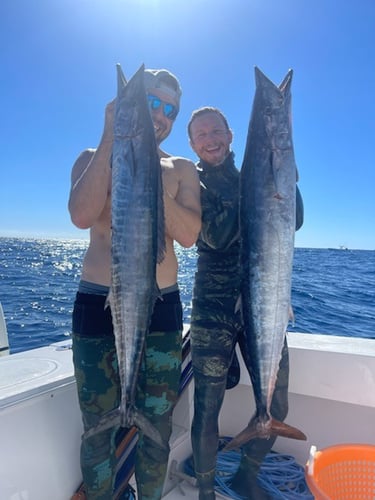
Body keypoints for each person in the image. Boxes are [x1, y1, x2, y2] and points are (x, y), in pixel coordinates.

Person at [68, 69, 201, 500]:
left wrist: (151, 183)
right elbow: (82, 215)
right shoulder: (92, 155)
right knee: (96, 427)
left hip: (160, 308)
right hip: (96, 302)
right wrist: (112, 137)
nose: (160, 115)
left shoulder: (181, 168)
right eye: (152, 103)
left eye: (169, 110)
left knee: (157, 426)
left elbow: (189, 235)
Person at [187, 107, 304, 500]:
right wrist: (259, 190)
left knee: (278, 403)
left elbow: (296, 216)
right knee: (208, 404)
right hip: (212, 309)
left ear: (232, 135)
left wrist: (281, 171)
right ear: (192, 144)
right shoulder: (193, 184)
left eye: (216, 130)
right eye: (200, 134)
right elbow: (217, 236)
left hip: (265, 304)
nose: (210, 138)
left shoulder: (254, 174)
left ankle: (246, 474)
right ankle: (206, 490)